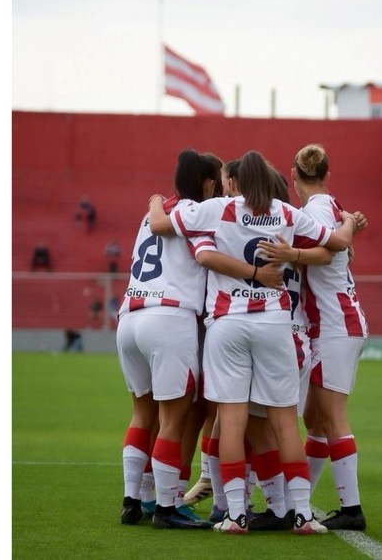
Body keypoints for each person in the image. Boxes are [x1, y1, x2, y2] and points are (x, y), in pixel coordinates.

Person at [147, 150, 357, 535]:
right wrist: (348, 221)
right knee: (284, 424)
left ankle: (236, 515)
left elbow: (160, 225)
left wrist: (156, 201)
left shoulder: (220, 209)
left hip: (229, 323)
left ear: (237, 182)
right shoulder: (286, 212)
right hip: (276, 324)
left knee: (230, 421)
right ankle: (302, 516)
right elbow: (337, 242)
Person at [117, 149, 282, 530]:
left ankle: (133, 498)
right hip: (170, 317)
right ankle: (167, 507)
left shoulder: (153, 213)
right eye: (219, 180)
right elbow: (209, 258)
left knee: (143, 414)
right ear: (208, 183)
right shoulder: (201, 215)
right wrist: (257, 273)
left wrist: (157, 199)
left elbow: (161, 225)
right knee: (177, 419)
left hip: (130, 315)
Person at [286, 143, 370, 531]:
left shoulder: (315, 210)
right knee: (315, 418)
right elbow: (339, 243)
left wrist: (287, 251)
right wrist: (350, 224)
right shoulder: (331, 205)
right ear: (327, 175)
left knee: (332, 418)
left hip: (336, 324)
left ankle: (351, 509)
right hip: (337, 323)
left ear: (293, 174)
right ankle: (300, 503)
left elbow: (325, 250)